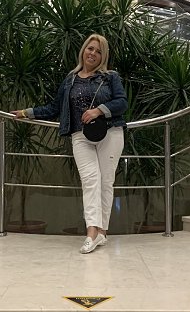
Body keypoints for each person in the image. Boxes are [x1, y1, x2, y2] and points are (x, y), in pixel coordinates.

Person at [12, 34, 128, 254]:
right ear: (83, 50)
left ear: (103, 56)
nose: (93, 53)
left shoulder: (110, 77)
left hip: (110, 132)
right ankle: (91, 232)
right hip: (80, 136)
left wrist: (98, 110)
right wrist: (28, 112)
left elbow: (122, 102)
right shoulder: (70, 80)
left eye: (98, 51)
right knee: (90, 180)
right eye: (90, 48)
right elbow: (55, 108)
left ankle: (102, 232)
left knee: (106, 182)